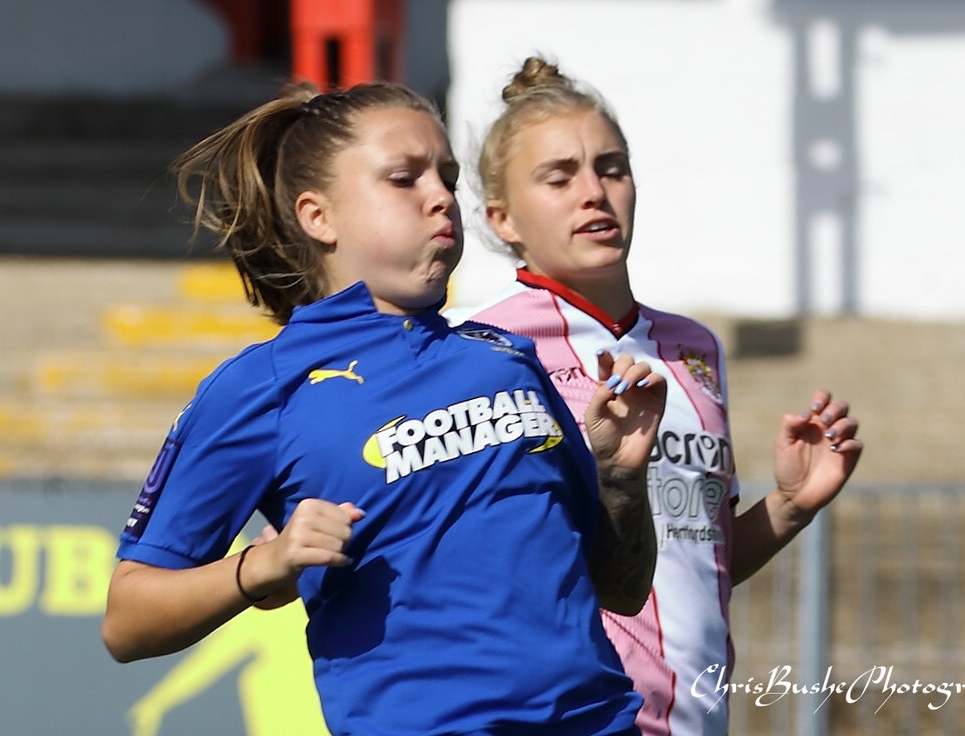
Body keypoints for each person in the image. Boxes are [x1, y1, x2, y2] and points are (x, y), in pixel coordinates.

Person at [100, 78, 670, 736]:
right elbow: (127, 622)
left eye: (447, 176)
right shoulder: (260, 387)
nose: (441, 197)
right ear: (318, 217)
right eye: (404, 178)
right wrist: (261, 566)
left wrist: (619, 477)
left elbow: (620, 589)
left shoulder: (507, 357)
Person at [449, 57, 864, 736]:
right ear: (503, 218)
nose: (594, 192)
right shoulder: (475, 350)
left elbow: (692, 564)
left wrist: (790, 506)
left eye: (611, 168)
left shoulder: (693, 346)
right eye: (559, 177)